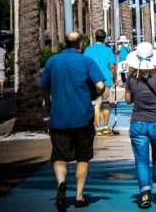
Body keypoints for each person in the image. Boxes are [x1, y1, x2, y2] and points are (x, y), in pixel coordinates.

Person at [40, 32, 105, 210]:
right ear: (80, 45)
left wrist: (48, 103)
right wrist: (95, 95)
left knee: (60, 156)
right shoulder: (86, 61)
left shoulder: (52, 61)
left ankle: (61, 184)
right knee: (82, 158)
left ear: (65, 44)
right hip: (82, 118)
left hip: (58, 117)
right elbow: (100, 85)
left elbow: (44, 86)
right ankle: (79, 196)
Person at [125, 43, 156, 209]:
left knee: (141, 161)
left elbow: (128, 101)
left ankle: (144, 197)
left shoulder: (130, 78)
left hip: (137, 123)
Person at [84, 29, 117, 136]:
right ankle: (106, 127)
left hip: (92, 81)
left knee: (96, 105)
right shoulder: (108, 50)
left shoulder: (88, 50)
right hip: (106, 80)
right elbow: (112, 67)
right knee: (106, 104)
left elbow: (84, 65)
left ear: (95, 37)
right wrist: (115, 78)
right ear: (104, 38)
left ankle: (98, 128)